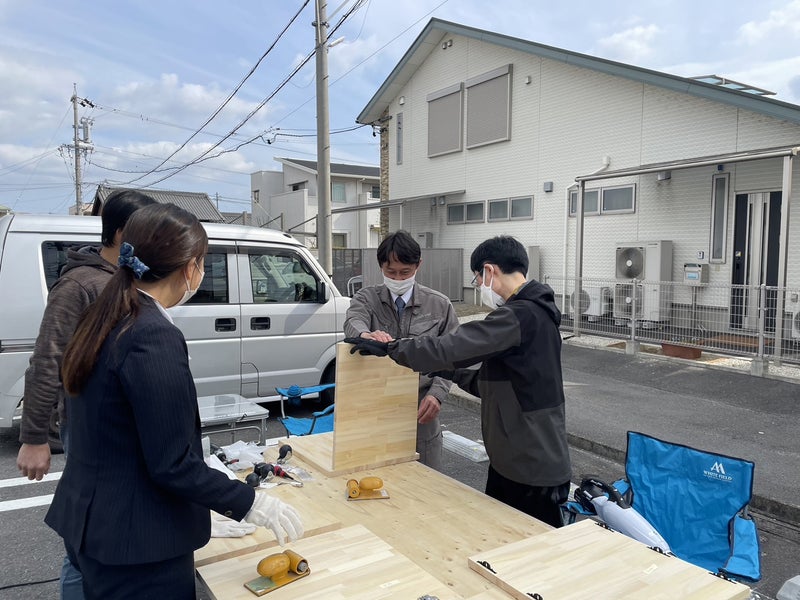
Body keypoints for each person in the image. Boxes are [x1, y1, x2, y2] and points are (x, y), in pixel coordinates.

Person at [45, 203, 303, 599]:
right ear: (190, 269)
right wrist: (249, 503)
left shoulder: (103, 312)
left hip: (91, 520)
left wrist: (195, 510)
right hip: (137, 543)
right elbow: (172, 463)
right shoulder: (150, 333)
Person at [345, 235, 571, 527]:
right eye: (392, 271)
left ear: (489, 271)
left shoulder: (520, 316)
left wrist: (392, 349)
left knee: (525, 548)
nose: (479, 286)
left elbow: (450, 348)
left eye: (477, 278)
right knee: (504, 536)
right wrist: (447, 371)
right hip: (519, 459)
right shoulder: (535, 316)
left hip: (530, 465)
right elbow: (488, 383)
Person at [17, 189, 157, 600]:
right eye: (146, 226)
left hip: (127, 426)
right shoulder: (79, 285)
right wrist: (34, 437)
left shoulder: (133, 277)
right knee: (84, 539)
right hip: (87, 427)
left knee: (113, 530)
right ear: (120, 232)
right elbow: (47, 361)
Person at [344, 230, 458, 470]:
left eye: (405, 272)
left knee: (426, 483)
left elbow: (453, 355)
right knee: (376, 479)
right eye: (390, 272)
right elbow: (353, 322)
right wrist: (366, 335)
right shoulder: (366, 298)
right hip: (375, 407)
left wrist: (437, 394)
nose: (397, 278)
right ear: (380, 267)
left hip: (421, 409)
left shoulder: (439, 305)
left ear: (418, 265)